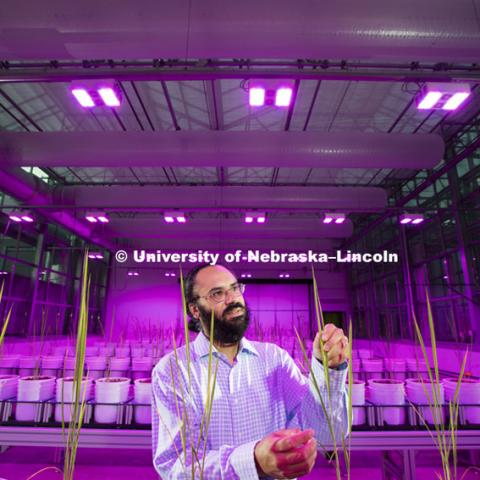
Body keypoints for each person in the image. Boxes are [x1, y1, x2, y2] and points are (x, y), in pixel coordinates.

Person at [152, 264, 350, 479]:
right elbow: (175, 464)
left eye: (235, 288)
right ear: (195, 310)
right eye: (218, 293)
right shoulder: (173, 369)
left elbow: (326, 433)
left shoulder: (274, 358)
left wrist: (328, 368)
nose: (233, 299)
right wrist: (253, 461)